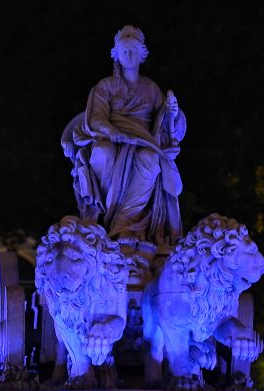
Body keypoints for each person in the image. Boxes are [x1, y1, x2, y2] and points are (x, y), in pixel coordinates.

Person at [62, 26, 186, 245]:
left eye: (133, 51)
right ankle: (106, 216)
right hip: (112, 137)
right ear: (116, 54)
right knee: (102, 152)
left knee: (150, 159)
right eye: (124, 51)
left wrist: (173, 113)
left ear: (142, 54)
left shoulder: (151, 88)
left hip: (143, 142)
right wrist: (114, 132)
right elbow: (96, 118)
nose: (129, 55)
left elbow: (164, 123)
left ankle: (123, 223)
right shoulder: (105, 86)